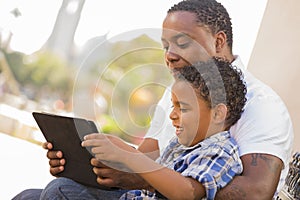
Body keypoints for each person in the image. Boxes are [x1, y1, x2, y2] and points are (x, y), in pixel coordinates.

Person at [13, 0, 293, 199]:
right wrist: (93, 162)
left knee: (59, 193)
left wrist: (137, 175)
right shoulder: (179, 89)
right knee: (29, 195)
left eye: (182, 43)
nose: (169, 54)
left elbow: (255, 193)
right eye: (166, 46)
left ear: (219, 42)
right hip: (146, 192)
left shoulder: (261, 103)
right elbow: (147, 155)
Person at [81, 57, 247, 200]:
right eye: (172, 107)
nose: (172, 116)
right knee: (64, 187)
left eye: (182, 108)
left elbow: (187, 192)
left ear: (218, 114)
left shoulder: (220, 151)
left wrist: (129, 155)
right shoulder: (179, 144)